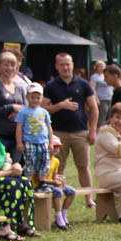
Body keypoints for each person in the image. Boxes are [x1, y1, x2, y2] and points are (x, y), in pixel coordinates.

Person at [43, 52, 99, 206]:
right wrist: (60, 106)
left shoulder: (83, 84)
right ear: (56, 66)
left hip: (80, 132)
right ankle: (58, 200)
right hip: (58, 133)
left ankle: (89, 198)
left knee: (83, 166)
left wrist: (93, 130)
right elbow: (43, 110)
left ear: (73, 65)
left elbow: (94, 108)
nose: (65, 67)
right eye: (61, 64)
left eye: (68, 64)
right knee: (57, 167)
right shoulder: (51, 86)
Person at [0, 50, 28, 161]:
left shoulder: (20, 88)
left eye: (12, 65)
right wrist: (10, 108)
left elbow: (27, 109)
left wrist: (18, 113)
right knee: (0, 167)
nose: (9, 68)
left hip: (17, 138)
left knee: (16, 167)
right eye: (6, 65)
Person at [35, 136, 77, 231]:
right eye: (54, 146)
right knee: (58, 192)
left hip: (51, 183)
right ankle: (58, 216)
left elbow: (53, 176)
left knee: (72, 191)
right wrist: (54, 182)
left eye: (58, 147)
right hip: (42, 185)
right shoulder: (42, 160)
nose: (56, 149)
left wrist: (59, 180)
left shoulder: (56, 161)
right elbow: (40, 179)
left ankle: (63, 213)